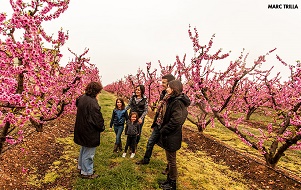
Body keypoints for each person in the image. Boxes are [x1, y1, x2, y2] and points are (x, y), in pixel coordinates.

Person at [158, 80, 191, 190]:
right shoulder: (174, 100)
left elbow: (176, 121)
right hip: (171, 135)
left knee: (172, 161)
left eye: (168, 87)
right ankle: (169, 180)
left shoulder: (177, 102)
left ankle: (172, 184)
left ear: (174, 89)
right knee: (169, 160)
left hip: (172, 135)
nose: (166, 89)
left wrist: (164, 130)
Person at [136, 74, 175, 165]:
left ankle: (169, 168)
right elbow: (160, 110)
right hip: (158, 123)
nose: (162, 84)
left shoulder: (175, 97)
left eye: (164, 82)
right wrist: (155, 123)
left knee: (168, 148)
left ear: (170, 83)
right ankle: (146, 160)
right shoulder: (163, 93)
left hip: (167, 125)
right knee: (150, 142)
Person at [74, 81, 105, 179]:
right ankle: (87, 172)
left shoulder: (82, 98)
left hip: (81, 128)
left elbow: (77, 104)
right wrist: (102, 127)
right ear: (96, 91)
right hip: (89, 131)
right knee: (89, 153)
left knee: (84, 149)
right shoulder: (92, 103)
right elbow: (97, 119)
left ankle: (81, 167)